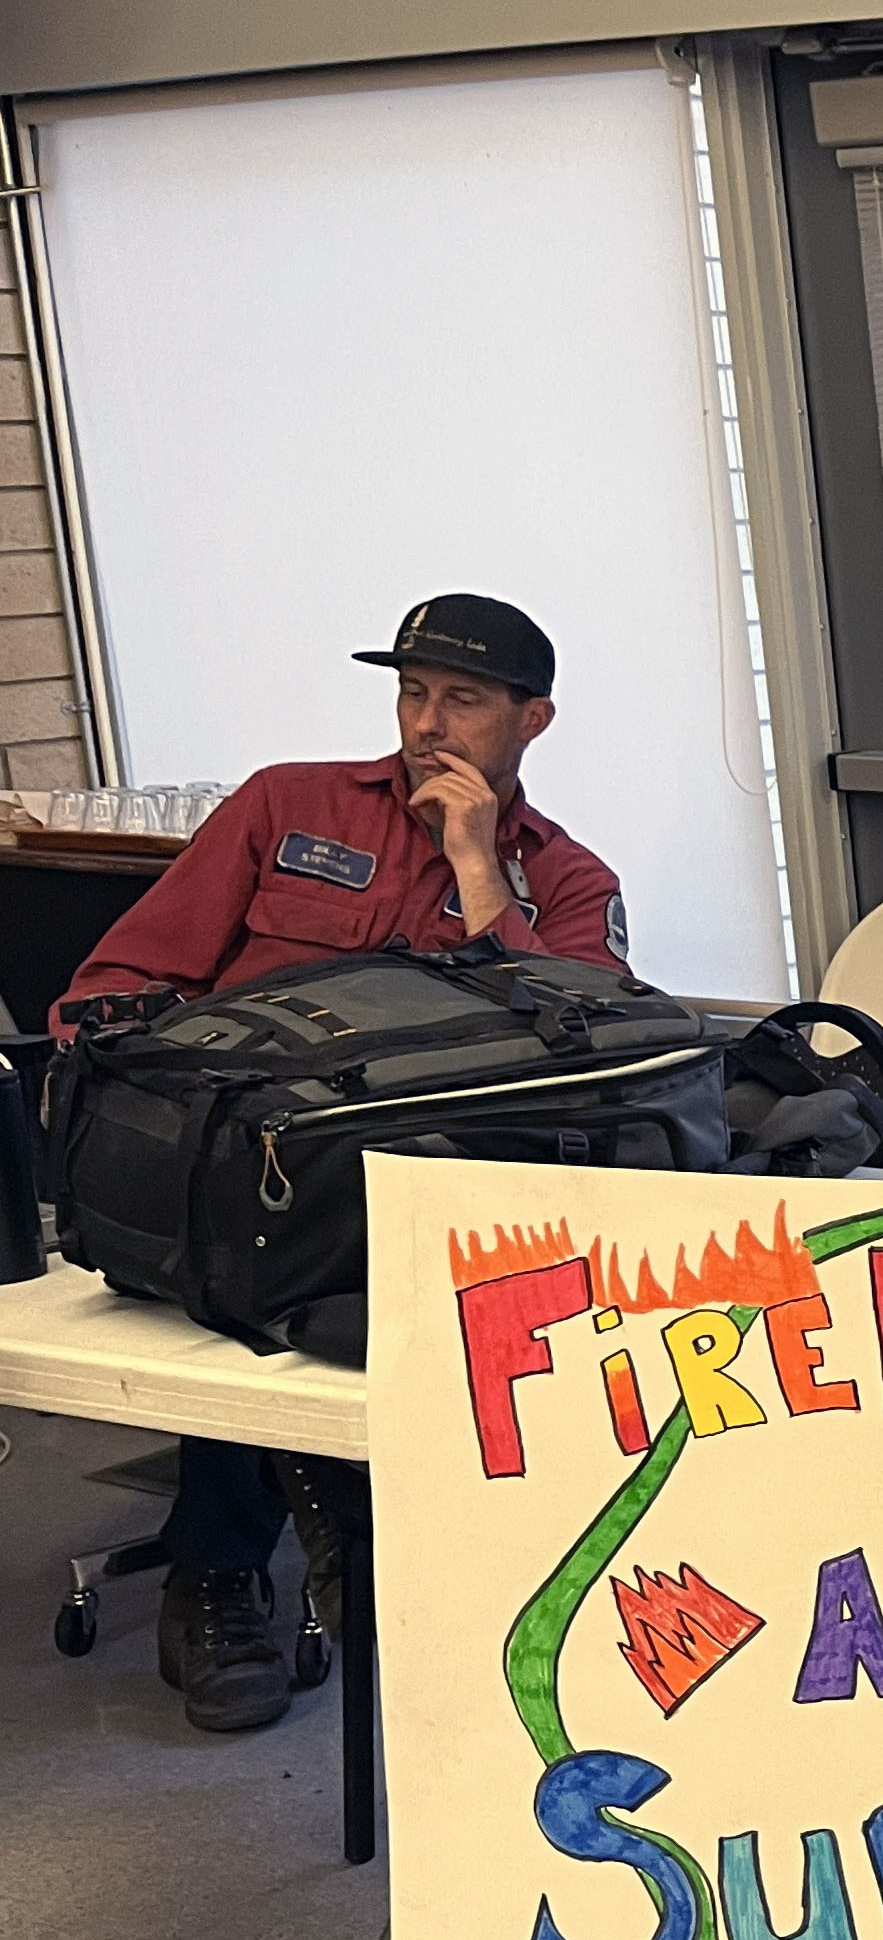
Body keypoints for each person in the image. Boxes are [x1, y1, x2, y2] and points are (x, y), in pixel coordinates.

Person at [61, 592, 625, 1732]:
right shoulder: (287, 804)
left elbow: (585, 1052)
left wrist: (477, 869)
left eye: (461, 700)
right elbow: (116, 982)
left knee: (365, 1277)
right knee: (253, 1265)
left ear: (535, 720)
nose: (427, 724)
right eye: (412, 693)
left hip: (425, 1187)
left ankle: (300, 1555)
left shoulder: (568, 883)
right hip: (245, 1162)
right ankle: (243, 1570)